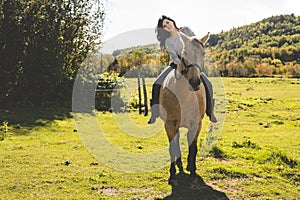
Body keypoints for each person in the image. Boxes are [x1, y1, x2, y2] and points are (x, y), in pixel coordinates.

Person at [148, 15, 217, 124]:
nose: (167, 25)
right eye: (164, 26)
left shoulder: (186, 30)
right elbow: (174, 56)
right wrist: (180, 63)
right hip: (177, 64)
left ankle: (210, 112)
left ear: (172, 22)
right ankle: (154, 113)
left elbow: (195, 43)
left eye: (167, 22)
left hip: (192, 64)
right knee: (156, 83)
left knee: (208, 84)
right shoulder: (168, 41)